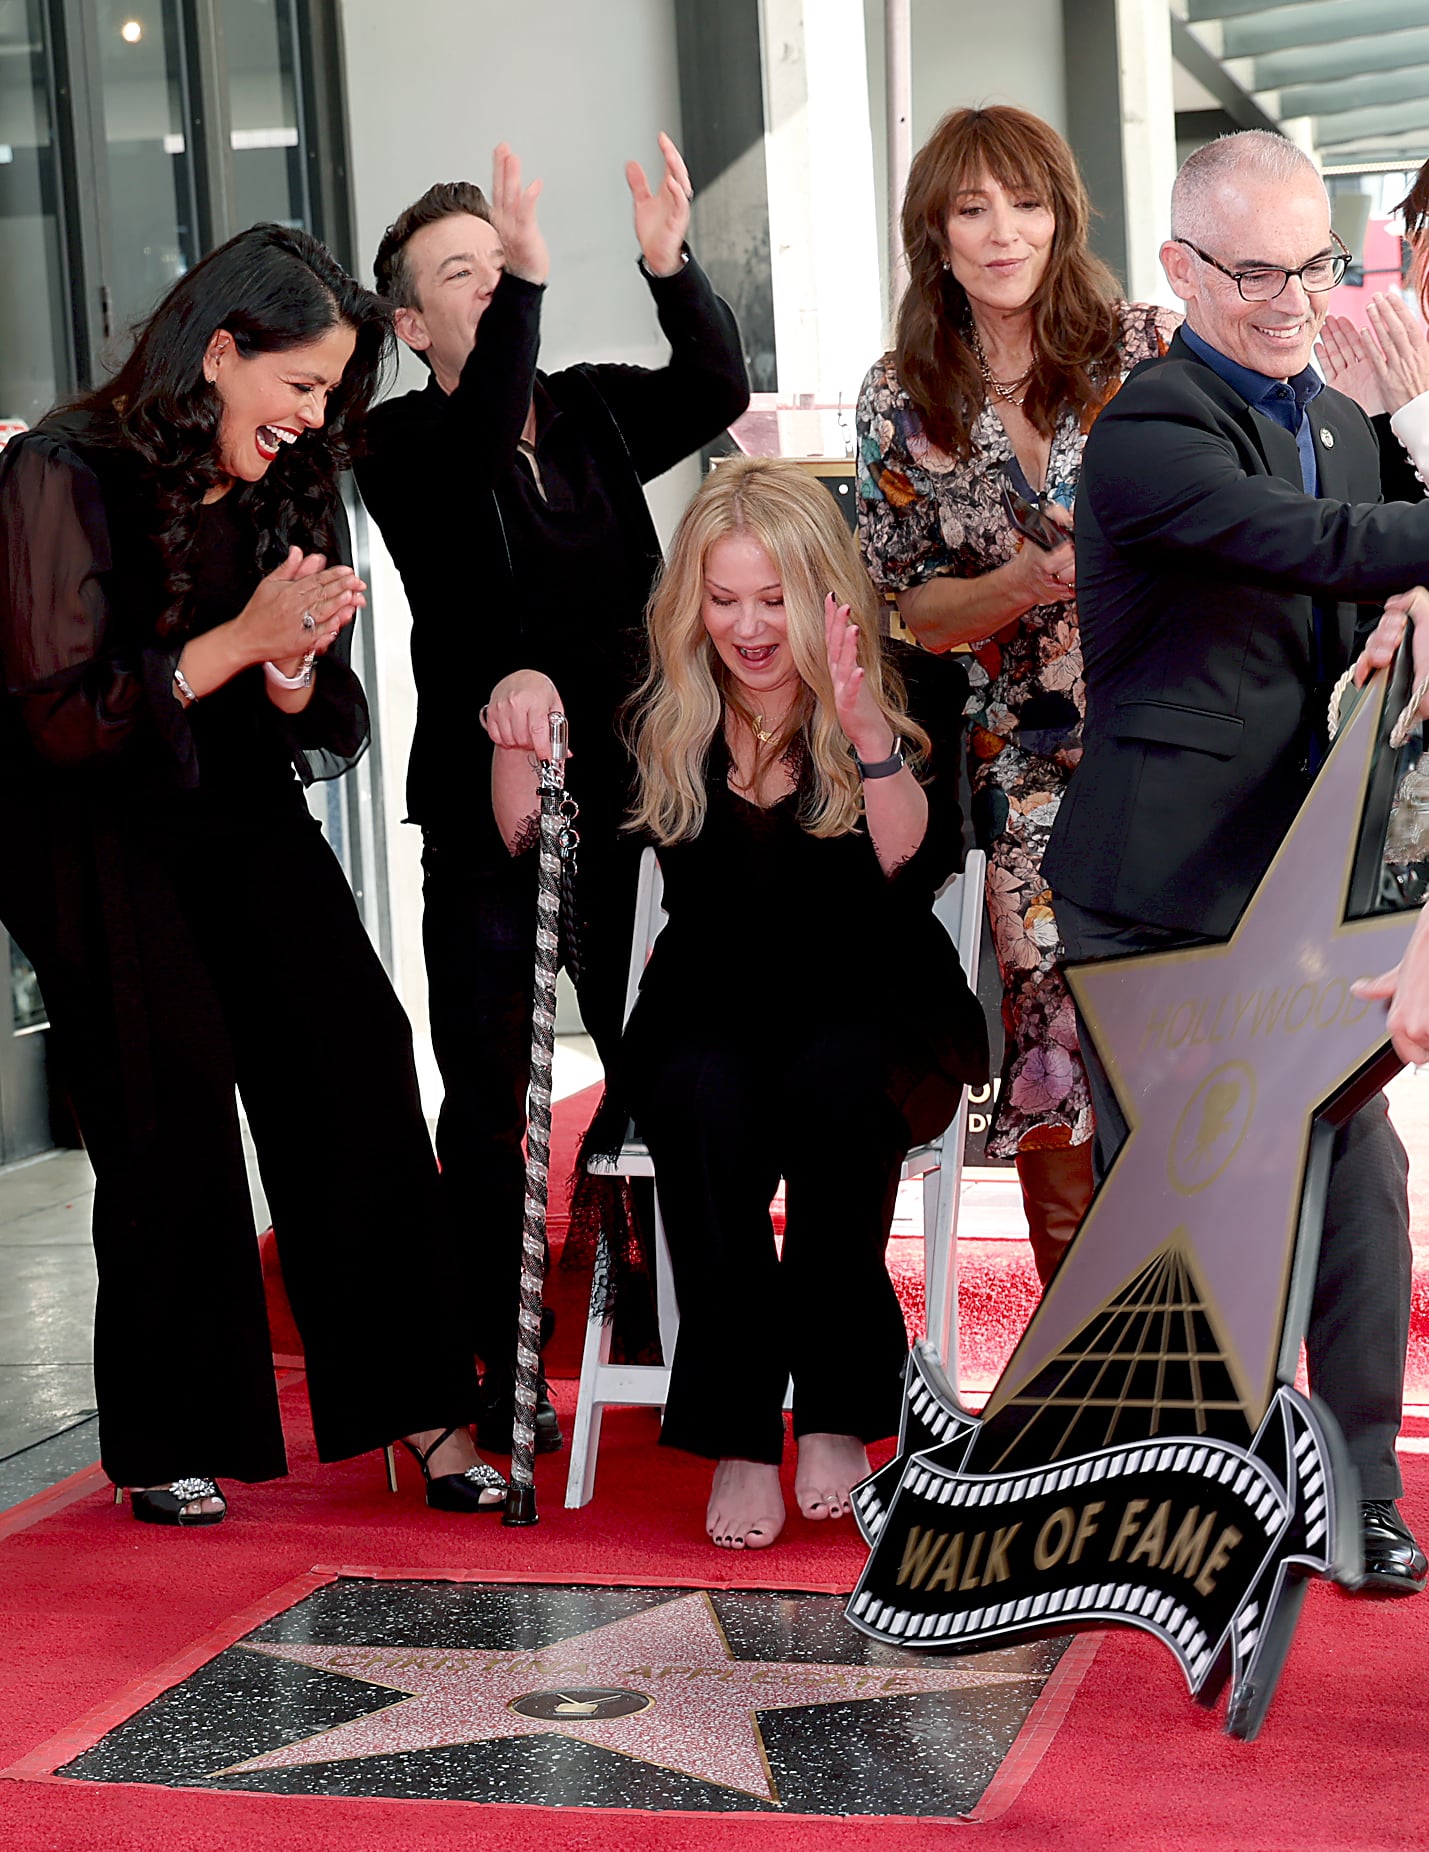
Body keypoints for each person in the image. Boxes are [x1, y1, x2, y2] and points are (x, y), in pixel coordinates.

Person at [0, 225, 503, 1525]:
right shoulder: (59, 475)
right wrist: (238, 647)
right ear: (221, 353)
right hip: (93, 833)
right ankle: (172, 1429)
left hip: (237, 809)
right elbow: (62, 719)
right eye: (300, 383)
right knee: (165, 1109)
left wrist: (288, 677)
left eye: (332, 391)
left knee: (354, 1048)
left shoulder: (289, 476)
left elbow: (323, 708)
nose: (316, 413)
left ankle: (420, 1402)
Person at [1042, 129, 1429, 1595]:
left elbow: (1360, 588)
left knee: (1357, 1170)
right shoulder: (1148, 429)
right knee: (1184, 1207)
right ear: (1179, 268)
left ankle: (1353, 1493)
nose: (1287, 299)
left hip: (1313, 885)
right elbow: (1322, 545)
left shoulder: (1336, 414)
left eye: (1313, 265)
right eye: (1253, 272)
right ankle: (1171, 1521)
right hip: (1164, 892)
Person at [492, 457, 989, 1549]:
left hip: (876, 994)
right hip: (713, 998)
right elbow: (530, 841)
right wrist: (516, 716)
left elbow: (916, 870)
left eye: (773, 599)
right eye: (723, 600)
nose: (749, 627)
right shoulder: (658, 697)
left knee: (833, 1089)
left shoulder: (913, 687)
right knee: (702, 1104)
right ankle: (737, 1433)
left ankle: (835, 1403)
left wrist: (863, 733)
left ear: (823, 593)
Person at [355, 140, 749, 1456]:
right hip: (483, 808)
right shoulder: (403, 438)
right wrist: (527, 281)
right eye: (461, 276)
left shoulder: (584, 410)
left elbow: (712, 385)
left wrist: (665, 260)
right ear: (410, 325)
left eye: (505, 265)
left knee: (665, 1055)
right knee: (488, 1088)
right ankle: (486, 1364)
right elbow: (477, 437)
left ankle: (667, 1335)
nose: (495, 286)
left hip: (636, 788)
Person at [856, 105, 1179, 1287]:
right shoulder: (902, 395)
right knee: (1052, 1048)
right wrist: (1023, 582)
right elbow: (908, 608)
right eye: (972, 208)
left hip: (1182, 741)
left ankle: (1215, 1357)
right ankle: (1073, 1381)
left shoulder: (1149, 346)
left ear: (1063, 212)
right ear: (933, 234)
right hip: (1027, 768)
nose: (1003, 232)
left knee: (1186, 1035)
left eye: (1026, 202)